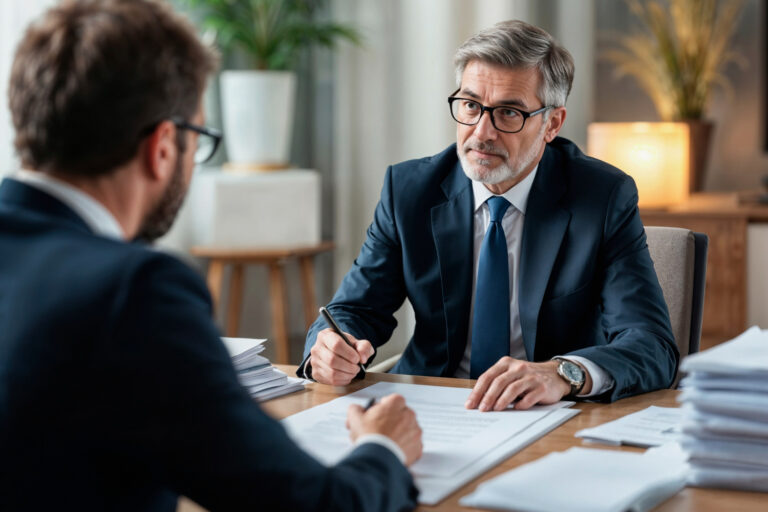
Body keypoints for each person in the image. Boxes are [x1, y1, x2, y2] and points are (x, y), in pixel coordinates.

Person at [0, 1, 421, 511]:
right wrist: (382, 447)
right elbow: (312, 504)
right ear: (161, 147)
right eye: (198, 139)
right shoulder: (134, 292)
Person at [301, 20, 678, 410]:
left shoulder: (600, 197)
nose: (482, 132)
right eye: (470, 105)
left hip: (548, 414)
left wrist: (564, 373)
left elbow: (652, 345)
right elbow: (354, 309)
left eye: (509, 113)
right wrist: (329, 348)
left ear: (552, 124)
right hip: (432, 406)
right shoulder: (410, 190)